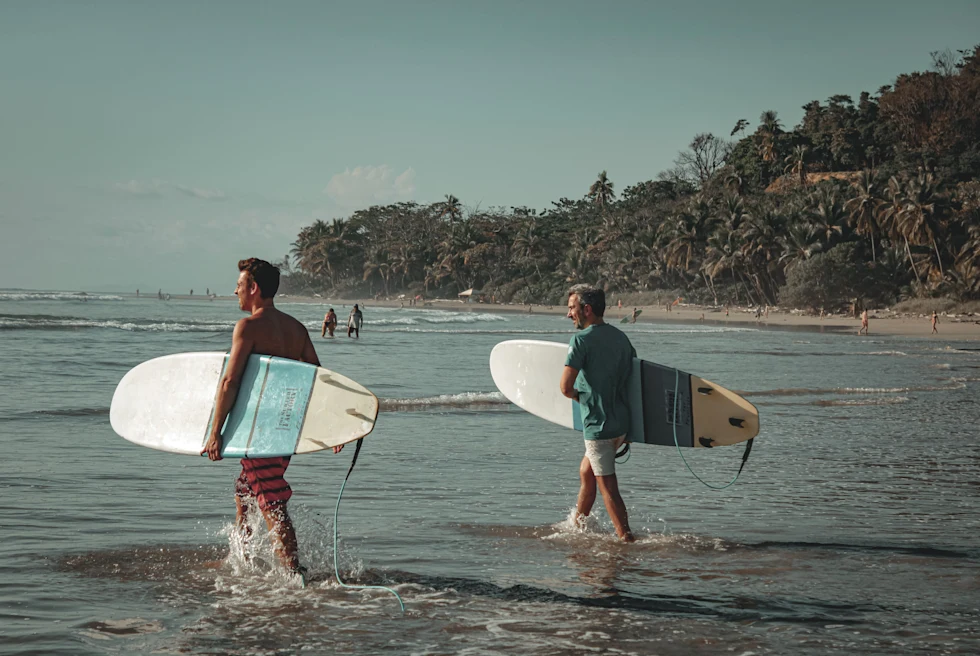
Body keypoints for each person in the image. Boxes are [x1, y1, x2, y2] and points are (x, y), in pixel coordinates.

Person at [201, 258, 344, 582]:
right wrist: (334, 426)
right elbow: (318, 380)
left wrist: (216, 432)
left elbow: (229, 382)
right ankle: (241, 557)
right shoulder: (296, 329)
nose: (235, 290)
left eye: (240, 284)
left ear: (253, 288)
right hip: (284, 431)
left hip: (259, 431)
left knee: (271, 501)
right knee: (245, 493)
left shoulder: (248, 327)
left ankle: (294, 574)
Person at [560, 284, 636, 542]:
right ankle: (577, 527)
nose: (569, 314)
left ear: (587, 309)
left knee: (608, 488)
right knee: (586, 472)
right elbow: (632, 380)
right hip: (621, 424)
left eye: (572, 308)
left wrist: (581, 396)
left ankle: (625, 539)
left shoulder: (581, 340)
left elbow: (565, 387)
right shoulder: (621, 338)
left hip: (598, 426)